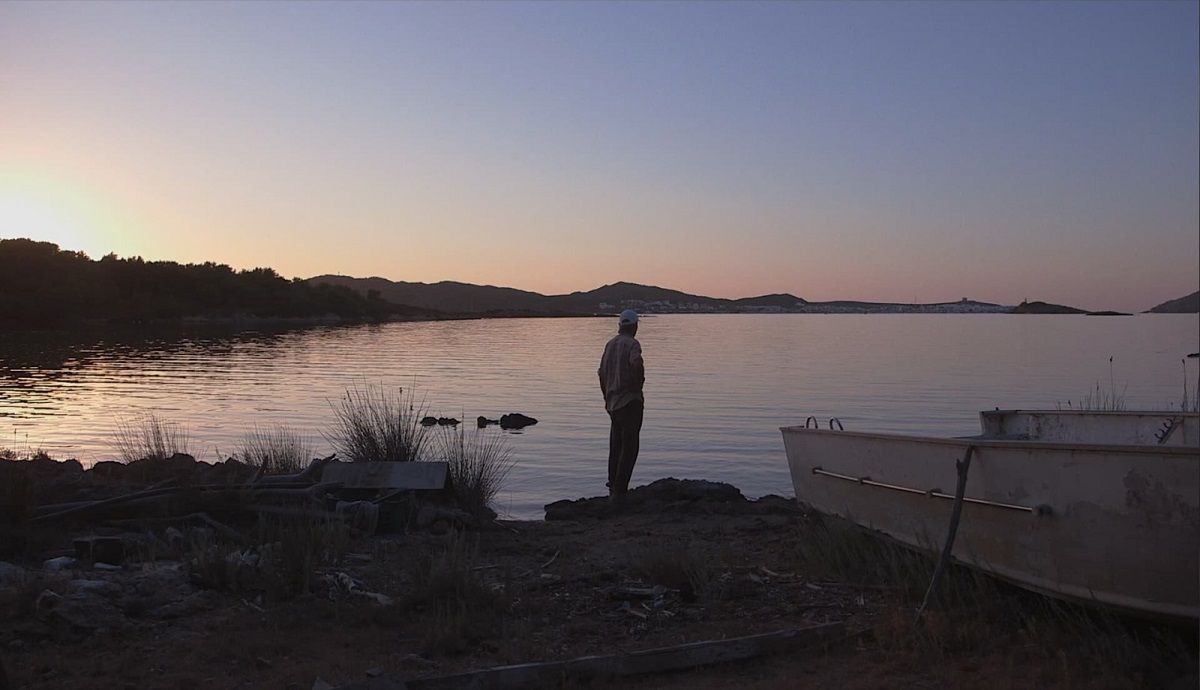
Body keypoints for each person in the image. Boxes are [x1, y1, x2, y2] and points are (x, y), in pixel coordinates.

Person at [598, 309, 645, 502]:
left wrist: (606, 398)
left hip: (612, 404)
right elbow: (636, 365)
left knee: (615, 446)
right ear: (634, 326)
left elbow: (601, 373)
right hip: (630, 401)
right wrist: (638, 385)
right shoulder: (633, 344)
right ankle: (620, 491)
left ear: (620, 326)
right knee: (630, 446)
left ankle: (613, 488)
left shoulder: (610, 345)